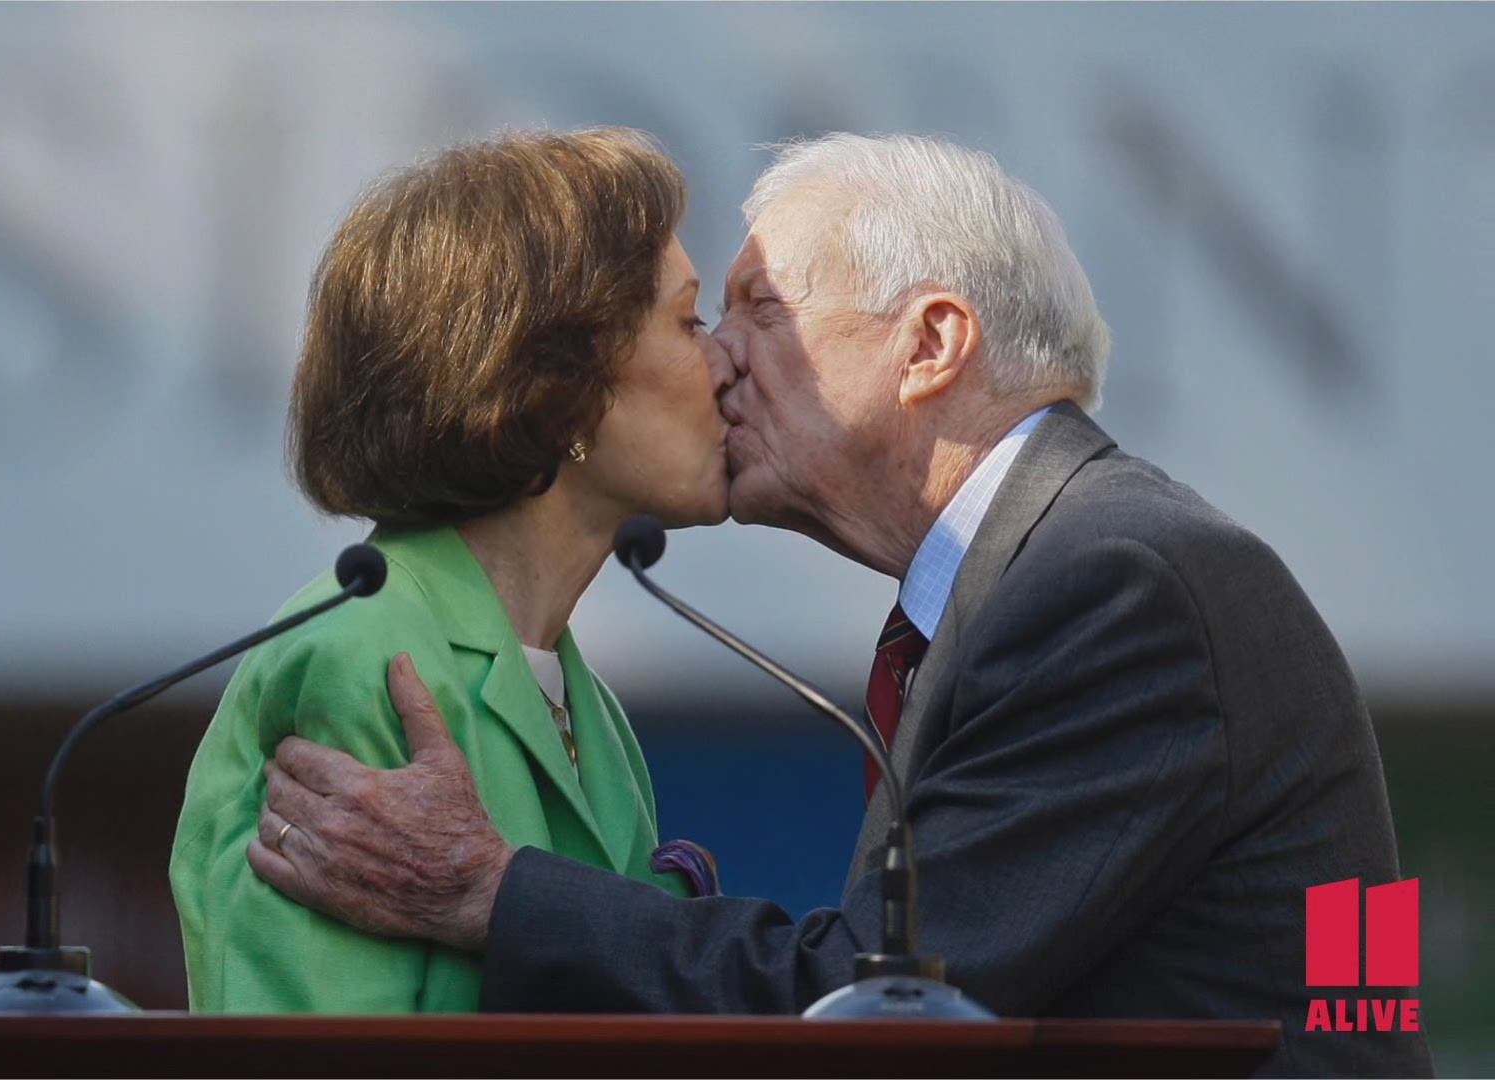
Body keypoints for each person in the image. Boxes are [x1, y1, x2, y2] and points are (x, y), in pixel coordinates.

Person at [244, 134, 1434, 1076]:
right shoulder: (1047, 576)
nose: (722, 360)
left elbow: (892, 989)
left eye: (761, 310)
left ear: (929, 345)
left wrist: (495, 891)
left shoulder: (1111, 584)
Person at [169, 127, 734, 1013]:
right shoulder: (361, 654)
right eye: (689, 322)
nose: (725, 362)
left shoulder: (591, 707)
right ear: (561, 387)